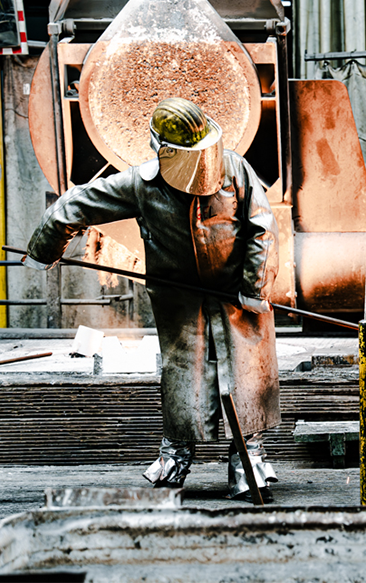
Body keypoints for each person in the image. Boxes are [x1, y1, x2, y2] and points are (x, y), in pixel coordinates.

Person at [24, 98, 281, 501]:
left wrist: (253, 286)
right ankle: (175, 458)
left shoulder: (233, 170)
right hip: (179, 301)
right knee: (184, 381)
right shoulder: (141, 187)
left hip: (236, 298)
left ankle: (248, 461)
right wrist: (44, 249)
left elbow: (261, 228)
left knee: (246, 378)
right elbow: (74, 206)